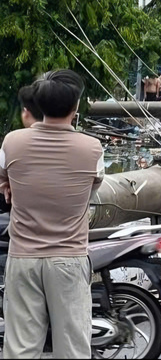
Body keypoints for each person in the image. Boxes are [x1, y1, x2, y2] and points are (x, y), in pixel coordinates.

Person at [0, 69, 104, 358]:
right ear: (75, 106)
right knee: (72, 347)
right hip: (68, 259)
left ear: (38, 105)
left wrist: (8, 184)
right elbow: (93, 187)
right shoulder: (92, 149)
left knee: (20, 348)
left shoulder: (12, 142)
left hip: (23, 258)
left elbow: (4, 175)